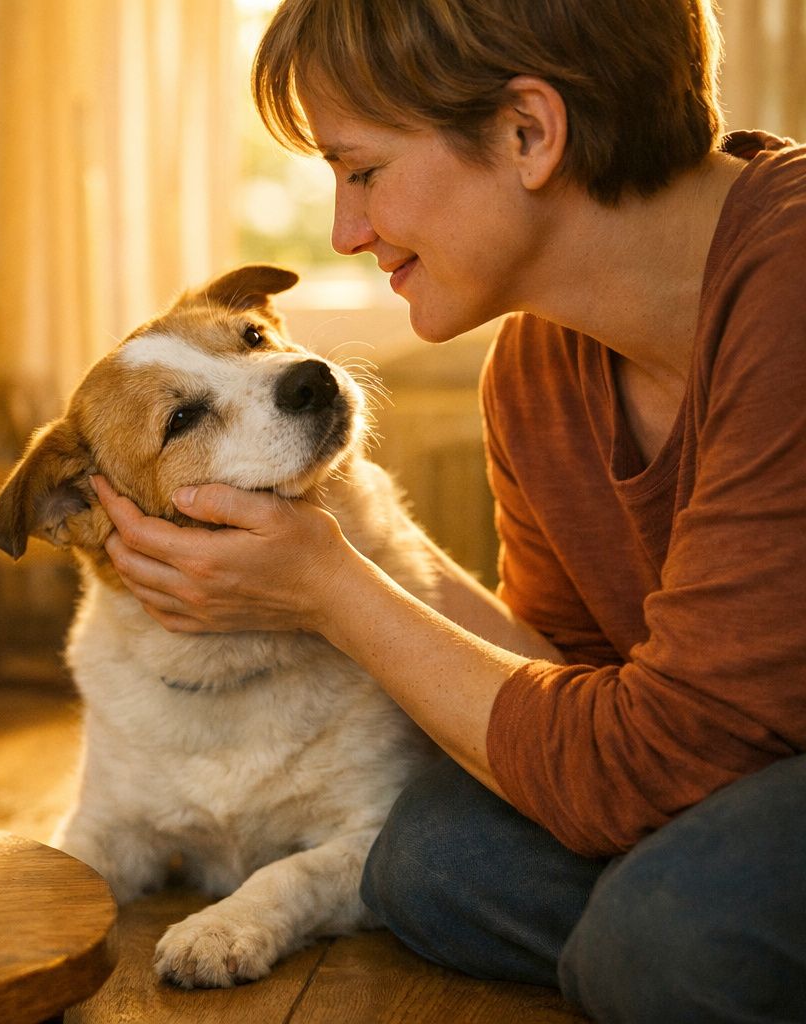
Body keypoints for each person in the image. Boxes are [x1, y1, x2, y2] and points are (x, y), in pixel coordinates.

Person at [91, 0, 806, 1020]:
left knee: (674, 932)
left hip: (738, 759)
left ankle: (664, 943)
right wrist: (352, 547)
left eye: (363, 170)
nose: (345, 231)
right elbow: (561, 685)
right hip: (721, 758)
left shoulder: (791, 288)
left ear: (528, 132)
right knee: (433, 859)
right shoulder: (536, 367)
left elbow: (642, 759)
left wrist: (332, 589)